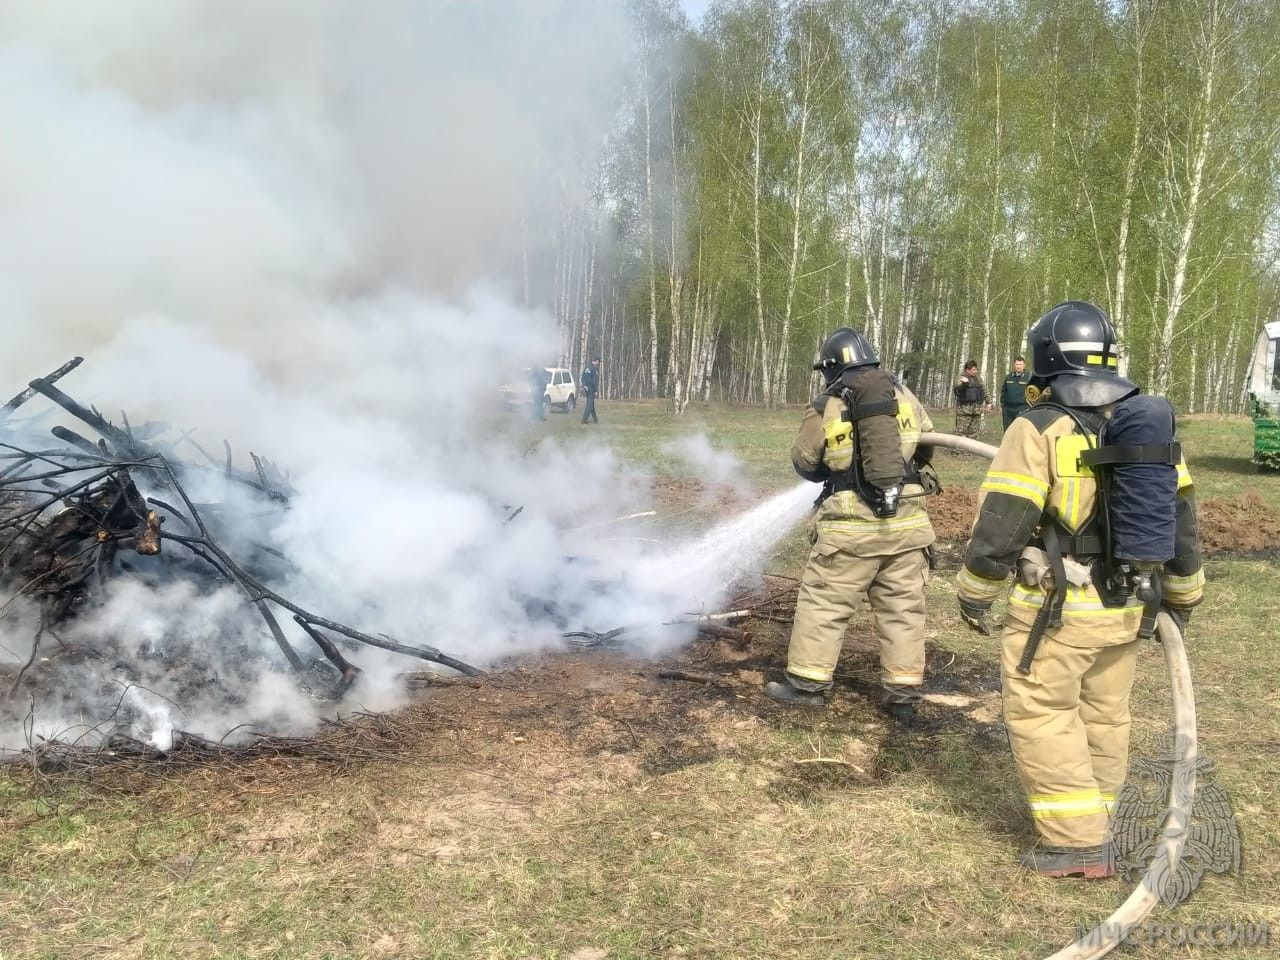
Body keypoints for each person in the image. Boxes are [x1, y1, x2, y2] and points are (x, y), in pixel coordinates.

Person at [954, 301, 1203, 878]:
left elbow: (1005, 518)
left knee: (1043, 712)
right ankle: (1100, 821)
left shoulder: (1038, 427)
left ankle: (1075, 842)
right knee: (1105, 714)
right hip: (1129, 604)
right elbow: (1182, 519)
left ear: (1045, 359)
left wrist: (975, 587)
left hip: (1058, 608)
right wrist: (1182, 594)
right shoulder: (1148, 425)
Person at [763, 327, 938, 725]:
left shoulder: (827, 403)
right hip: (908, 524)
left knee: (824, 604)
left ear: (832, 368)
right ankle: (903, 695)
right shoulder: (904, 395)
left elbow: (806, 463)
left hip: (850, 527)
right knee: (904, 609)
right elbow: (928, 446)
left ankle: (807, 686)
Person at [953, 360, 992, 440]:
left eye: (976, 369)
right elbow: (958, 389)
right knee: (961, 433)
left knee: (973, 434)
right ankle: (958, 452)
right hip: (964, 411)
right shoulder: (960, 378)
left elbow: (984, 390)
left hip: (976, 411)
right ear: (967, 370)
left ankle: (970, 452)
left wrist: (989, 402)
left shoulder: (979, 379)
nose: (975, 371)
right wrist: (965, 383)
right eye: (973, 370)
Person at [1001, 356, 1031, 430]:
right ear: (1014, 365)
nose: (1018, 367)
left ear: (1024, 365)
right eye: (1017, 364)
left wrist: (1028, 407)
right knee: (1008, 430)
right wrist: (1003, 405)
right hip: (1008, 410)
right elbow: (1003, 391)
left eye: (1020, 365)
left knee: (1020, 430)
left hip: (1022, 408)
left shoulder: (1029, 377)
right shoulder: (1008, 377)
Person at [580, 357, 601, 424]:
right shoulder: (594, 368)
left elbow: (583, 377)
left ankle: (595, 419)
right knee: (589, 404)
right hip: (591, 388)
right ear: (596, 361)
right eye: (599, 362)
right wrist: (596, 390)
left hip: (587, 388)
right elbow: (594, 380)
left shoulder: (587, 367)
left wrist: (584, 385)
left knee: (591, 404)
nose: (599, 363)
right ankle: (584, 420)